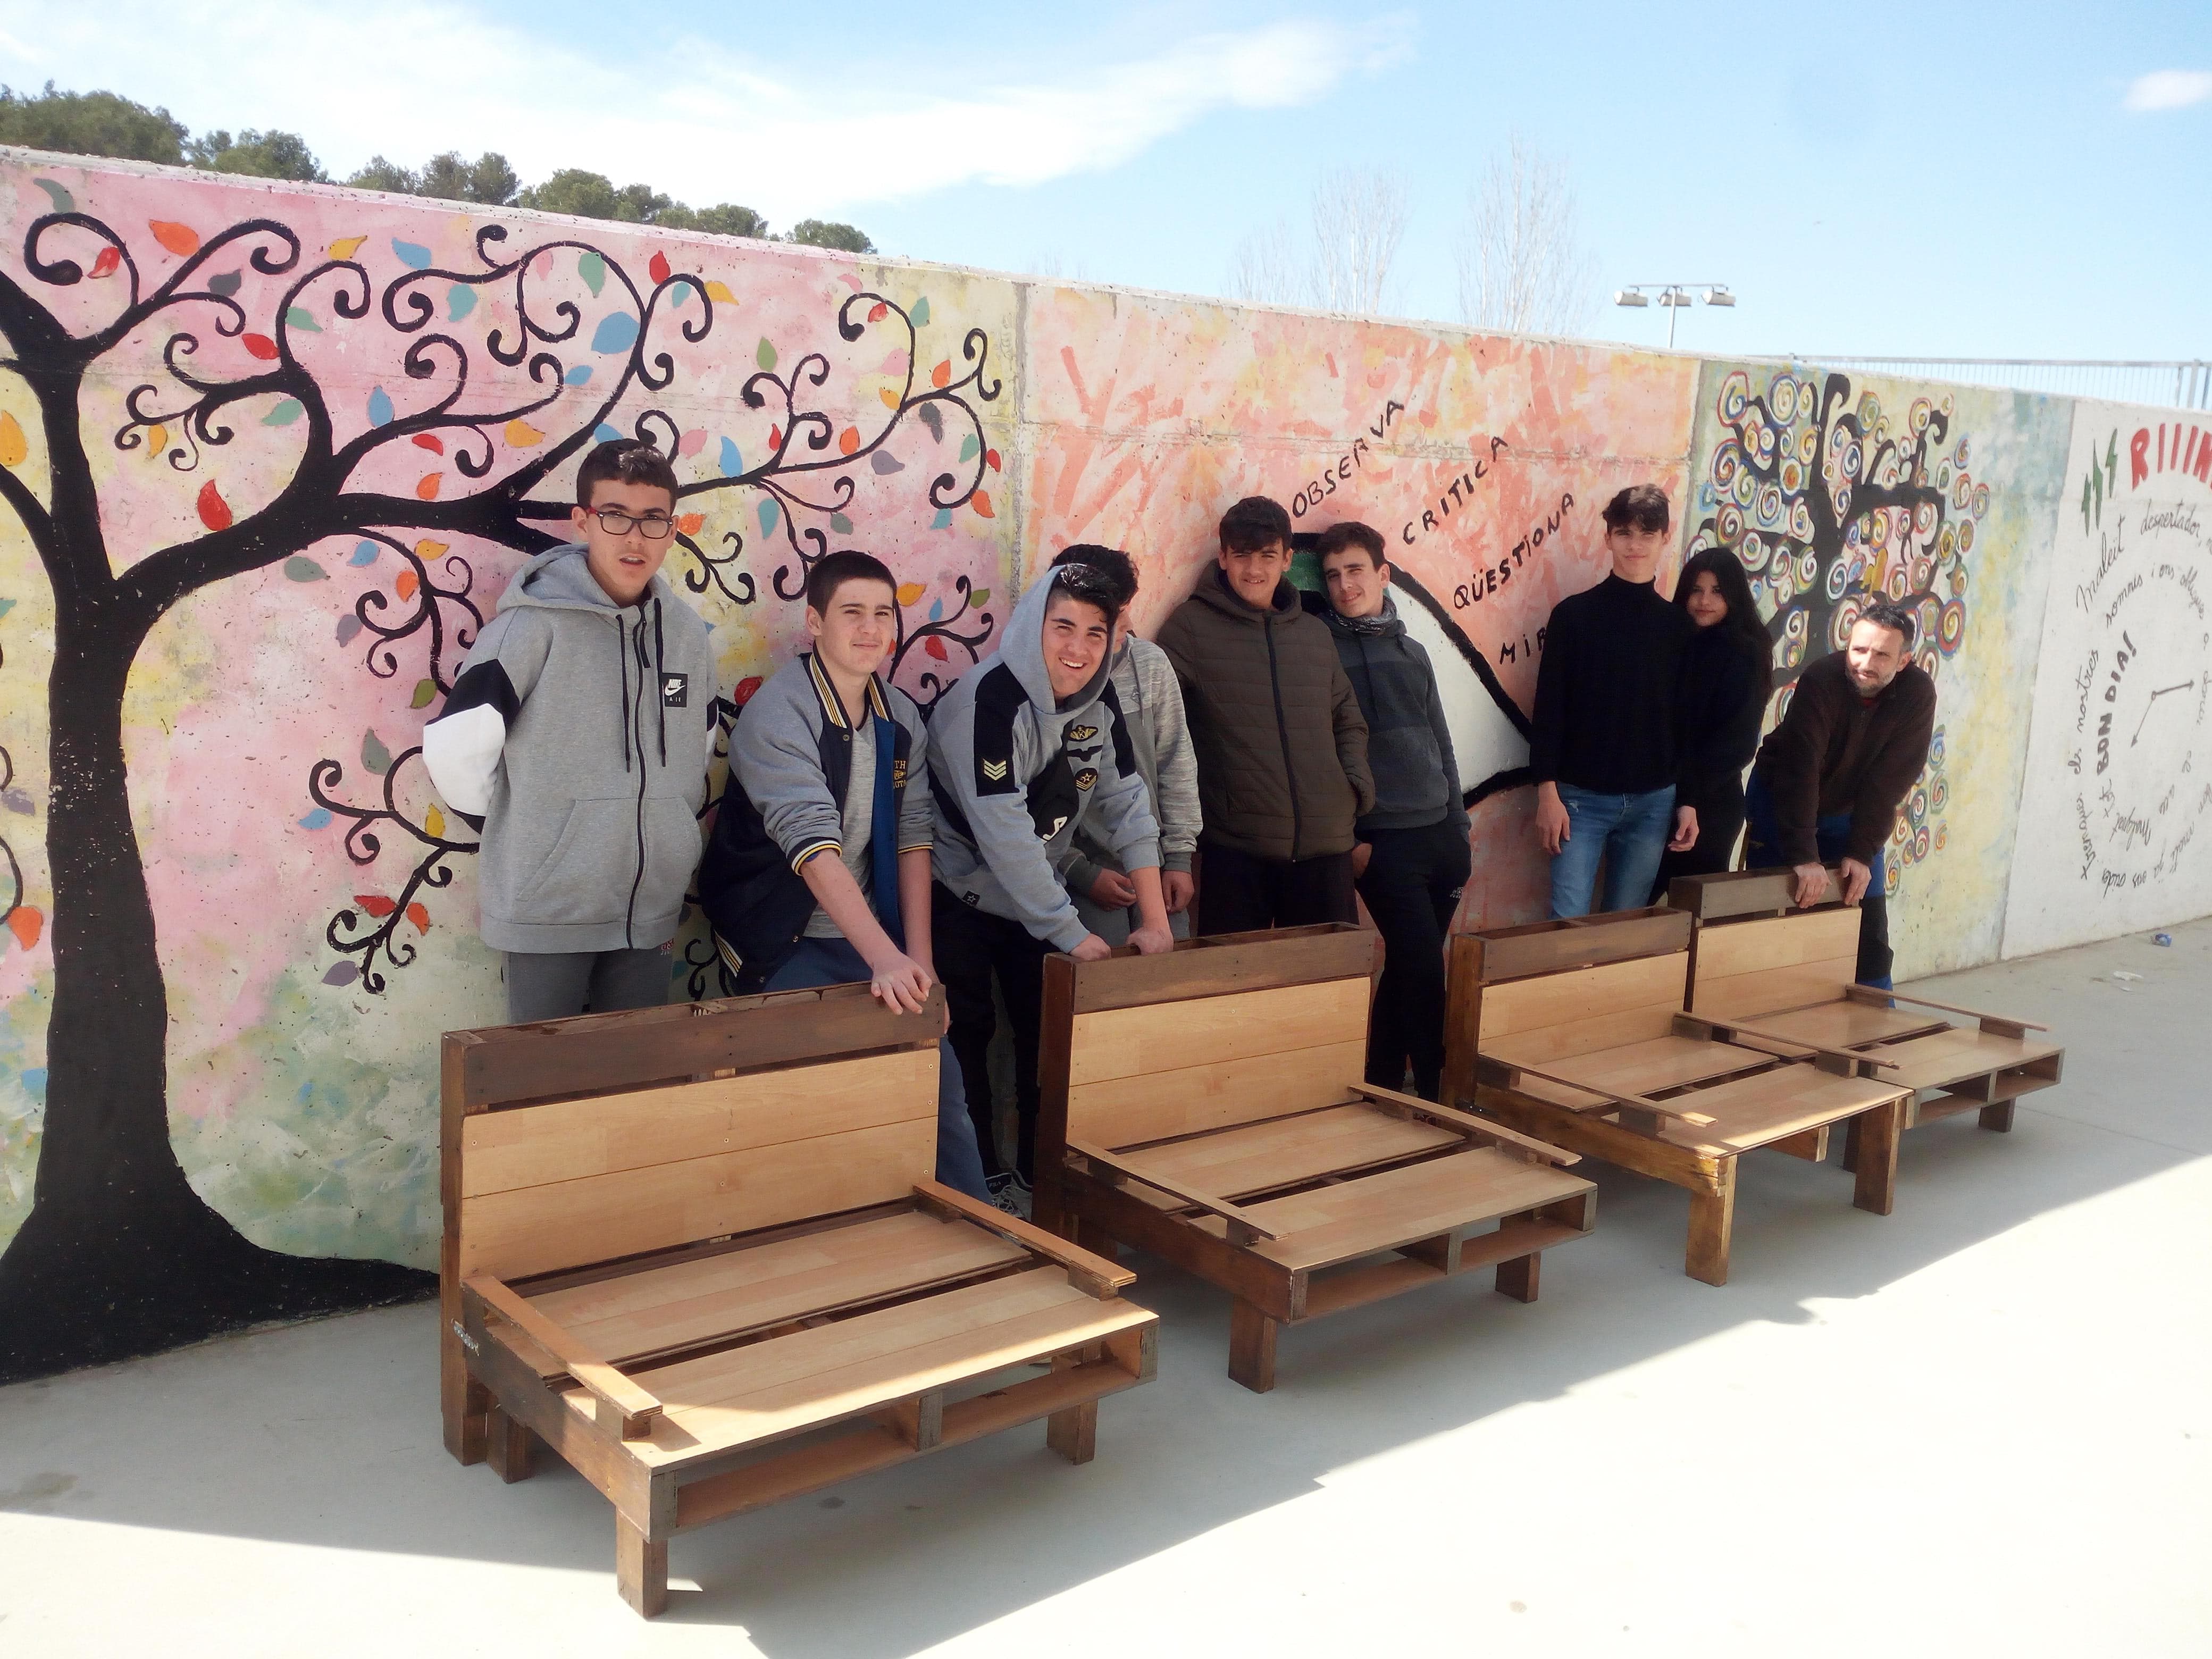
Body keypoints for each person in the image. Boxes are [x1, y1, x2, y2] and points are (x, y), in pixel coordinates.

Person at [694, 550, 991, 1201]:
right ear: (814, 622)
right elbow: (811, 848)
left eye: (882, 613)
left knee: (938, 1087)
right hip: (783, 938)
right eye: (851, 612)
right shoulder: (780, 712)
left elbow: (914, 839)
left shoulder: (899, 715)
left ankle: (978, 1223)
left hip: (873, 937)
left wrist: (918, 962)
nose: (870, 629)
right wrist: (884, 959)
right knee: (807, 1113)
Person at [424, 439, 717, 1023]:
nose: (635, 538)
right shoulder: (531, 627)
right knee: (542, 1074)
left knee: (633, 1070)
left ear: (672, 529)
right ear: (582, 521)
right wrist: (533, 831)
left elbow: (698, 746)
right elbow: (455, 747)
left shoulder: (686, 634)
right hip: (548, 910)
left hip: (650, 908)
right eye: (615, 516)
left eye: (653, 520)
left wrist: (669, 828)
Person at [929, 562, 1176, 1211]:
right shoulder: (987, 703)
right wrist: (1072, 932)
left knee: (1047, 1038)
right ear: (1031, 626)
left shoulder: (1100, 698)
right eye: (1062, 627)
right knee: (967, 1039)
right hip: (959, 893)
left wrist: (1155, 920)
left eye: (1095, 633)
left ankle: (1042, 1179)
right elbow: (1006, 838)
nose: (1077, 647)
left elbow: (1128, 804)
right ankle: (980, 1186)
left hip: (1039, 898)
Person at [1156, 495, 1375, 934]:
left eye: (1267, 556)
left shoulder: (1314, 633)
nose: (1254, 569)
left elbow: (1348, 719)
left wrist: (1350, 791)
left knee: (1330, 977)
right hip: (1237, 850)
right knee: (1233, 977)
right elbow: (1158, 729)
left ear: (1288, 559)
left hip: (1326, 849)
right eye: (1241, 555)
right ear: (1223, 557)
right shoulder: (1189, 628)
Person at [1317, 521, 1471, 1101]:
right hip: (1381, 843)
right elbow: (1318, 757)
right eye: (1332, 575)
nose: (1344, 585)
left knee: (1410, 967)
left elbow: (1441, 740)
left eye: (1355, 570)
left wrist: (1460, 827)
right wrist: (1350, 842)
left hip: (1441, 835)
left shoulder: (1413, 651)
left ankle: (1380, 1082)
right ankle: (1436, 1096)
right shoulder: (1320, 654)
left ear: (1382, 574)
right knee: (1425, 970)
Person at [1744, 602, 1935, 990]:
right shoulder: (1822, 680)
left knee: (1867, 924)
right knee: (1771, 915)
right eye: (1859, 649)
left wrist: (1862, 852)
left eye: (1882, 655)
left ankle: (1877, 1011)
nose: (1866, 663)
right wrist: (1804, 855)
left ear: (1904, 661)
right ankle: (1757, 1004)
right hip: (1782, 799)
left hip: (1851, 810)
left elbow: (1889, 781)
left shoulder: (1917, 693)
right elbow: (1802, 768)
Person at [1528, 483, 1698, 918]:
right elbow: (1549, 709)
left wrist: (1688, 800)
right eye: (1624, 533)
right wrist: (1547, 792)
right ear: (1608, 538)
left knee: (1623, 928)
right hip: (1579, 801)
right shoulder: (1573, 617)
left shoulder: (1679, 627)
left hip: (1654, 802)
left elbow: (1686, 723)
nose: (1635, 545)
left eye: (1647, 534)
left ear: (1664, 538)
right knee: (1566, 923)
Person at [1051, 544, 1202, 944]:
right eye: (1114, 614)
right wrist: (1079, 870)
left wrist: (1179, 857)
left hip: (1156, 863)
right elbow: (1031, 800)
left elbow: (1175, 761)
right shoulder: (1054, 680)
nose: (1129, 623)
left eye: (1127, 608)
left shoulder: (1149, 664)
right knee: (1102, 974)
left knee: (1171, 968)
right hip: (1083, 876)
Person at [1649, 547, 1774, 902]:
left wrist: (1689, 797)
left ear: (1734, 595)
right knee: (1638, 914)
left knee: (1690, 915)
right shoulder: (1673, 643)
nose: (1704, 601)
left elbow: (1736, 744)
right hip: (1658, 798)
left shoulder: (1744, 654)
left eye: (1717, 591)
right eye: (1696, 590)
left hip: (1711, 804)